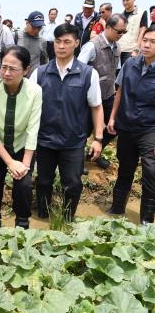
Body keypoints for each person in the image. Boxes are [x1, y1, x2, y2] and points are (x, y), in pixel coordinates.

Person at [30, 23, 104, 221]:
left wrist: (98, 138)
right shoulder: (40, 73)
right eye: (57, 41)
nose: (61, 46)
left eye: (66, 42)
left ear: (77, 43)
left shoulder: (88, 74)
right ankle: (44, 216)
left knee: (72, 183)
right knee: (44, 181)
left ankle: (67, 218)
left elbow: (96, 107)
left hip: (73, 141)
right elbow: (28, 107)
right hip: (44, 140)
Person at [0, 46, 42, 232]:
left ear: (25, 70)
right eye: (3, 67)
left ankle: (22, 225)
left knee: (23, 185)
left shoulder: (35, 91)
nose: (6, 73)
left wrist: (24, 165)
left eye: (13, 69)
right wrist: (9, 162)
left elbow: (33, 128)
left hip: (22, 146)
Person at [106, 25, 155, 225]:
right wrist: (112, 118)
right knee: (125, 168)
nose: (147, 45)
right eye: (145, 40)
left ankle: (146, 220)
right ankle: (117, 210)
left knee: (151, 172)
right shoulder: (130, 65)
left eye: (153, 42)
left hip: (149, 129)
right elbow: (120, 92)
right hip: (126, 126)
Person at [78, 14, 128, 169]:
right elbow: (78, 70)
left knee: (115, 126)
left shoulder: (117, 46)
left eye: (124, 32)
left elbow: (116, 70)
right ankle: (77, 163)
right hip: (89, 98)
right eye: (119, 31)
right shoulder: (92, 46)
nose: (121, 35)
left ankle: (95, 152)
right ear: (107, 27)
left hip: (107, 95)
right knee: (84, 131)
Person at [15, 10, 48, 75]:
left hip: (34, 79)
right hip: (17, 77)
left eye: (39, 28)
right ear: (27, 23)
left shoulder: (42, 41)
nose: (36, 30)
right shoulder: (16, 36)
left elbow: (45, 60)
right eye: (33, 27)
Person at [119, 0, 148, 66]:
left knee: (129, 74)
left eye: (127, 0)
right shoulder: (120, 15)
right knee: (117, 75)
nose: (125, 2)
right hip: (118, 50)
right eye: (123, 0)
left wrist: (136, 49)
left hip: (131, 51)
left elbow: (142, 32)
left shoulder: (142, 12)